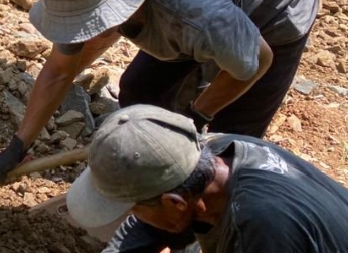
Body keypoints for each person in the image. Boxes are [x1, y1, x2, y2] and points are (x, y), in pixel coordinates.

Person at [0, 0, 317, 182]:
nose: (83, 36)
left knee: (229, 141)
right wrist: (19, 143)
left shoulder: (195, 13)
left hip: (278, 4)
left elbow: (257, 60)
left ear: (119, 8)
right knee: (140, 90)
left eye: (88, 25)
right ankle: (150, 183)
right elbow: (60, 70)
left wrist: (197, 117)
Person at [68, 104, 348, 252]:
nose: (133, 216)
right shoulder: (210, 150)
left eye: (133, 209)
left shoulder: (261, 228)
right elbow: (155, 222)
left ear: (175, 203)